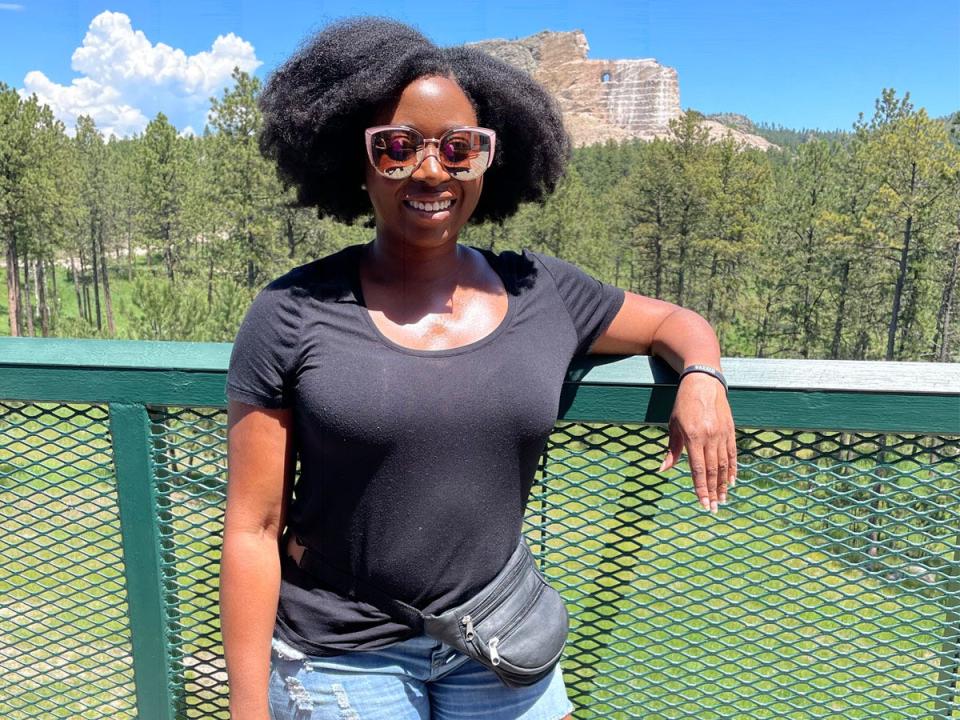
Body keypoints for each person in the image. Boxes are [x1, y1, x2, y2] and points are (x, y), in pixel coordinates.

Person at [220, 17, 737, 720]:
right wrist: (248, 711)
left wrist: (703, 378)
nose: (432, 170)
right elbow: (253, 529)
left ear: (490, 160)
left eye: (459, 149)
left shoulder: (542, 289)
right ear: (359, 161)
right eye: (398, 148)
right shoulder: (292, 311)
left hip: (498, 642)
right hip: (343, 652)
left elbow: (676, 323)